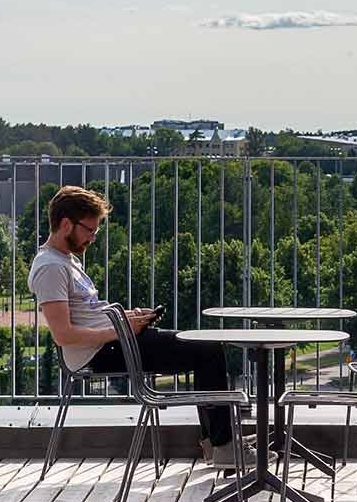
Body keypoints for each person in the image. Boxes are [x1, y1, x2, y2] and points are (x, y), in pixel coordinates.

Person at [28, 186, 245, 466]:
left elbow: (88, 312)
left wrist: (129, 317)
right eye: (90, 230)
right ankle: (222, 445)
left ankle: (218, 442)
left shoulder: (67, 261)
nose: (93, 238)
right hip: (97, 353)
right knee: (207, 351)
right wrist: (120, 330)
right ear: (66, 223)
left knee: (203, 346)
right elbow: (64, 334)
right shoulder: (50, 267)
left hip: (111, 343)